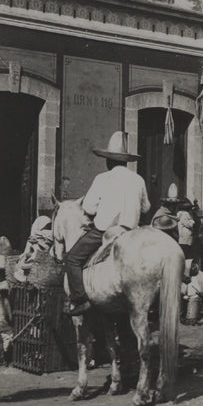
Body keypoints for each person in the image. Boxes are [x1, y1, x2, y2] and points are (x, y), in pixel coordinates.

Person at [65, 131, 150, 316]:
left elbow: (88, 207)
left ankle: (80, 300)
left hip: (105, 232)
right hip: (130, 233)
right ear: (126, 161)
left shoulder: (102, 179)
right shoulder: (138, 179)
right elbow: (145, 208)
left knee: (72, 259)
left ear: (108, 161)